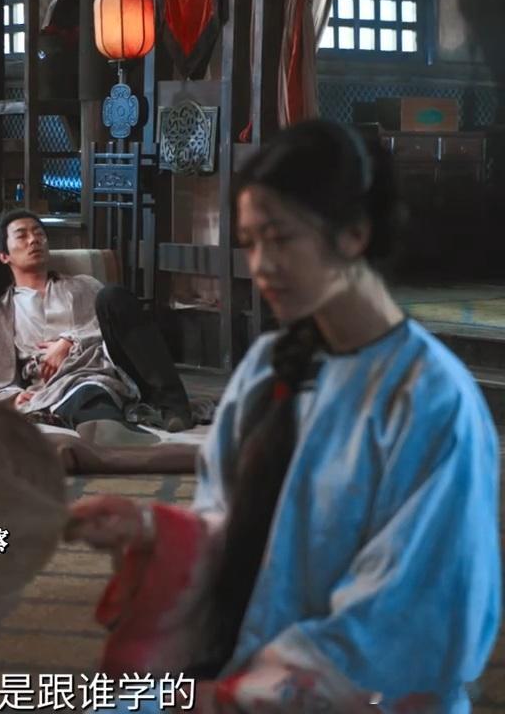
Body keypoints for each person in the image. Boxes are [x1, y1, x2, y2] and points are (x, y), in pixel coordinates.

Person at [66, 120, 501, 712]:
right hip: (244, 661)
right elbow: (235, 525)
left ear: (353, 233)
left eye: (279, 238)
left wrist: (238, 695)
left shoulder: (430, 397)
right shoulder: (270, 366)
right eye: (250, 243)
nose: (261, 265)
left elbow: (418, 611)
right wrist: (151, 532)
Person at [0, 208, 195, 443]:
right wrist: (11, 397)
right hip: (57, 383)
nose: (34, 240)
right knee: (86, 393)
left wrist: (70, 341)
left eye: (39, 234)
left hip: (109, 364)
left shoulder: (84, 286)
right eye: (22, 236)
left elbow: (114, 328)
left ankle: (174, 406)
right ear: (3, 255)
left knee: (114, 296)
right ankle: (109, 427)